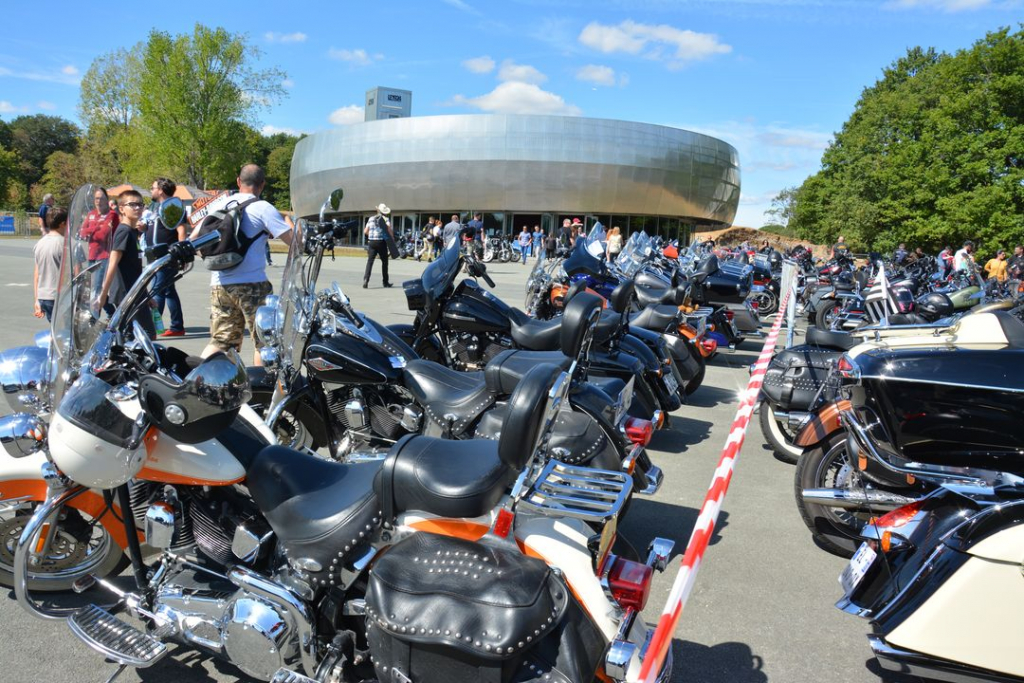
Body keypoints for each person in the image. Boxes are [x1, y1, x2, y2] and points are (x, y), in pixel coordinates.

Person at [196, 164, 293, 366]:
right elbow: (294, 243)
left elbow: (195, 241)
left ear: (239, 182)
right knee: (265, 342)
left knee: (221, 340)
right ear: (262, 184)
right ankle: (262, 392)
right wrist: (288, 221)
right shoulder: (263, 208)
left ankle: (196, 383)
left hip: (219, 283)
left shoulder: (219, 206)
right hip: (252, 284)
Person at [95, 190, 156, 338]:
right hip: (126, 294)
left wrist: (146, 295)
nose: (137, 208)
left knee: (139, 335)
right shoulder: (124, 231)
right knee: (142, 335)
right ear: (121, 208)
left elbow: (134, 269)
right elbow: (112, 264)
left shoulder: (133, 232)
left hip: (135, 292)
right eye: (132, 204)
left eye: (140, 204)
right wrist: (103, 296)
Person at [145, 177, 187, 337]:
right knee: (168, 291)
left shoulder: (173, 207)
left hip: (167, 256)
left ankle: (152, 327)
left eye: (152, 187)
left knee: (158, 290)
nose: (151, 190)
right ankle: (177, 327)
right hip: (156, 255)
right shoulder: (158, 207)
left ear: (161, 190)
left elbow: (181, 231)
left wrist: (181, 253)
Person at [79, 187, 119, 307]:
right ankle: (110, 312)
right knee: (91, 287)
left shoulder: (111, 214)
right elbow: (81, 232)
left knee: (97, 288)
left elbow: (104, 235)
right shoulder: (91, 214)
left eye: (102, 198)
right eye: (96, 198)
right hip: (92, 255)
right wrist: (97, 227)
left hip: (104, 255)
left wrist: (92, 230)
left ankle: (94, 316)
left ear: (107, 200)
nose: (99, 201)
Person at [33, 206, 65, 322]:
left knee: (54, 329)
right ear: (62, 224)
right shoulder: (68, 244)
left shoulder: (39, 244)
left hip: (44, 296)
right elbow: (77, 272)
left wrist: (37, 299)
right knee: (67, 332)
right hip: (61, 297)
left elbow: (37, 274)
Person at [363, 203, 394, 289]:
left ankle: (366, 280)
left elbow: (365, 231)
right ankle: (385, 282)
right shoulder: (386, 219)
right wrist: (392, 239)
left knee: (370, 261)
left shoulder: (371, 218)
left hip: (372, 242)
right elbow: (389, 229)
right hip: (381, 242)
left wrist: (372, 236)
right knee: (384, 262)